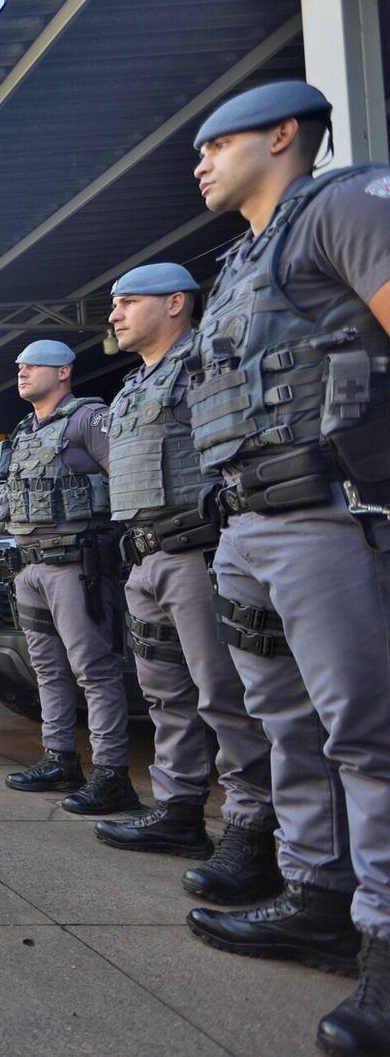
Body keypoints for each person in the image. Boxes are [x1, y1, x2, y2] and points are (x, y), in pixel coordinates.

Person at [174, 81, 390, 1053]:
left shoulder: (339, 207)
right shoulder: (234, 266)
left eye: (213, 143)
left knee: (368, 737)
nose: (200, 163)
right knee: (284, 722)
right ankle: (314, 895)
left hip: (330, 515)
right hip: (250, 525)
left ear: (281, 134)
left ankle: (383, 950)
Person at [92, 262, 280, 901]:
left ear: (175, 303)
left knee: (224, 693)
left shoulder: (203, 361)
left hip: (196, 553)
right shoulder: (130, 387)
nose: (113, 315)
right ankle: (178, 812)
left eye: (126, 302)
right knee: (165, 692)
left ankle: (252, 828)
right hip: (144, 558)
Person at [0, 340, 138, 813]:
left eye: (33, 365)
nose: (22, 371)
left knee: (94, 669)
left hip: (77, 567)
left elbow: (130, 480)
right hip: (30, 566)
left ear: (64, 372)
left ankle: (112, 773)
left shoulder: (88, 418)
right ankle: (59, 758)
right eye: (20, 365)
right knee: (47, 669)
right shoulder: (22, 432)